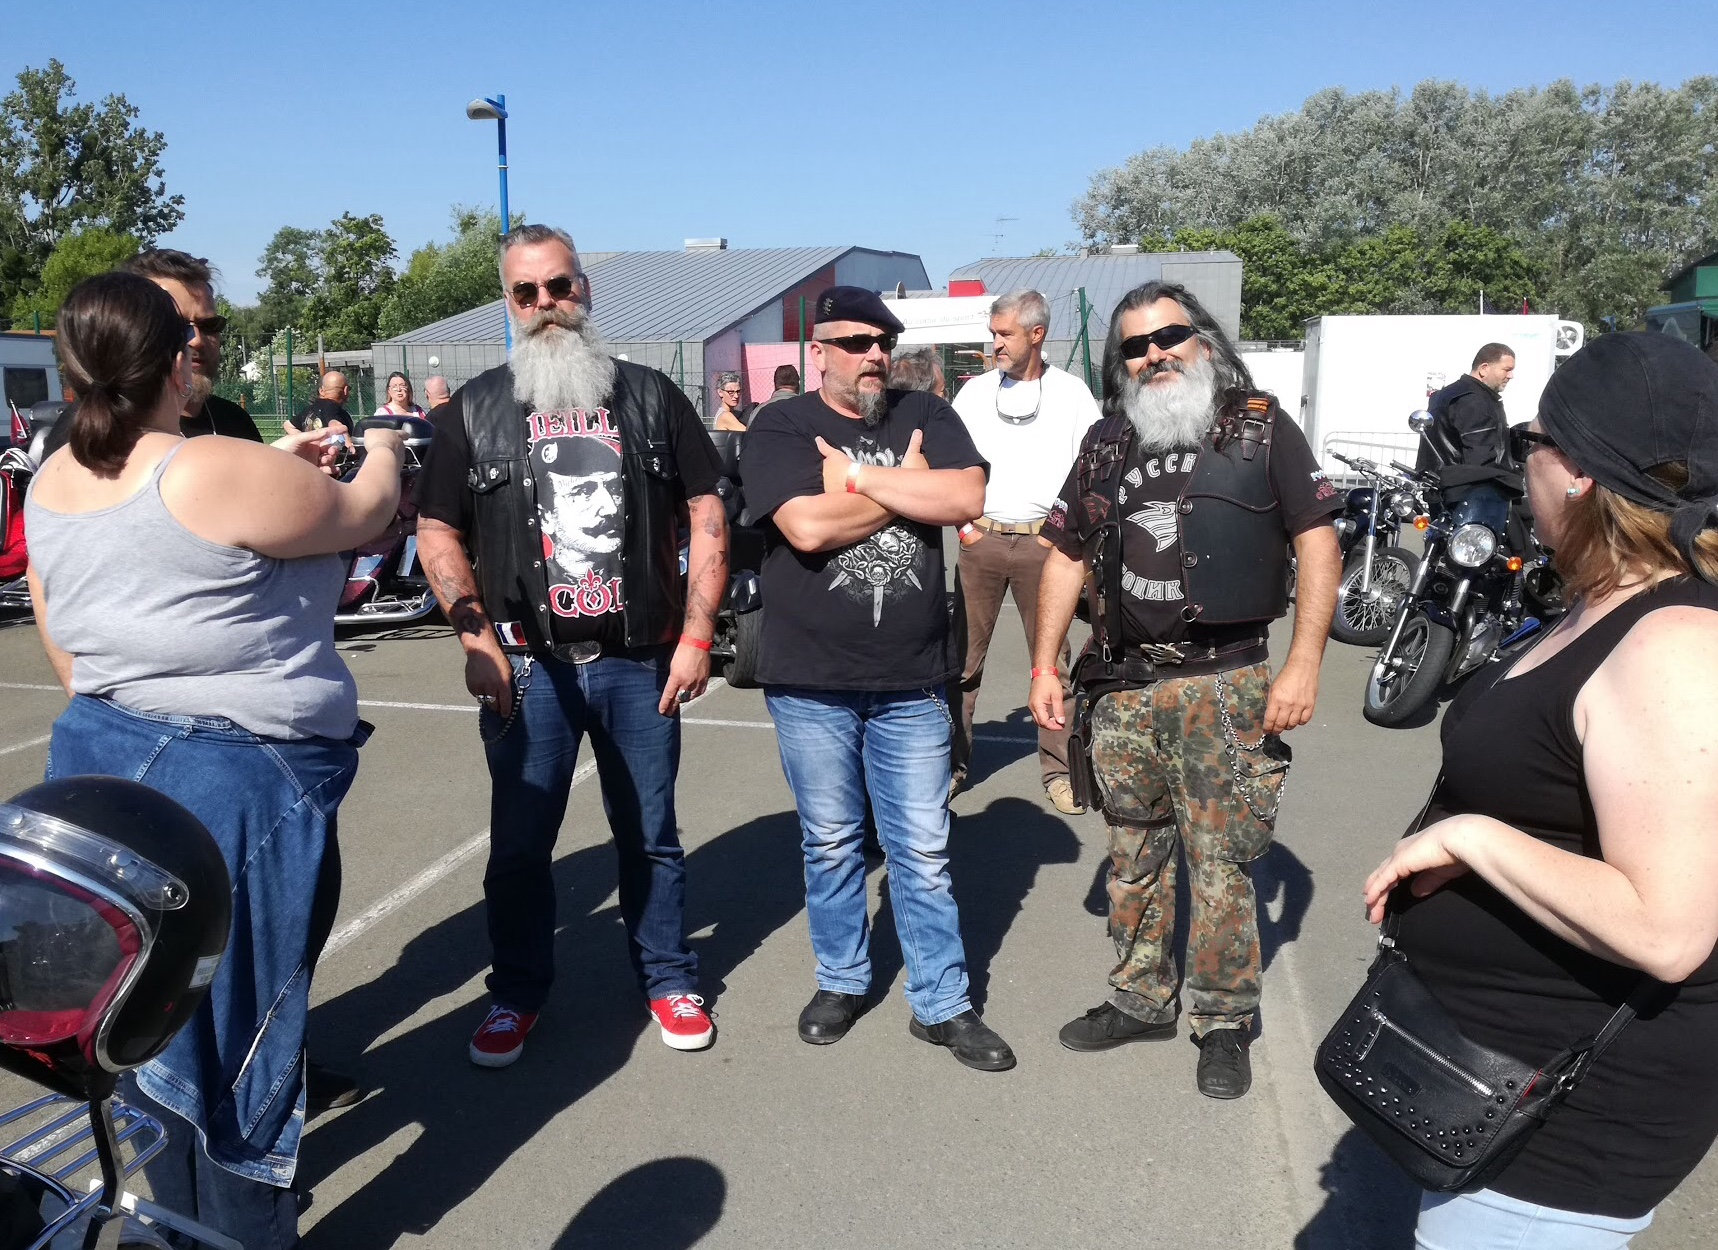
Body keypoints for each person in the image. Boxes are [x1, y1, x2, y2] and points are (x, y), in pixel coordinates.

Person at [24, 271, 403, 1248]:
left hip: (101, 765)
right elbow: (365, 510)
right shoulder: (204, 465)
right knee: (237, 1050)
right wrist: (388, 443)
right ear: (169, 360)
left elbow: (63, 632)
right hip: (228, 788)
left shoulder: (52, 472)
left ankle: (170, 1228)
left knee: (143, 1031)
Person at [1361, 333, 1718, 1248]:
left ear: (1584, 471)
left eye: (1535, 441)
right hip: (1490, 1075)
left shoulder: (1672, 647)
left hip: (1563, 1123)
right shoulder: (1604, 602)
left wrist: (1473, 839)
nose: (1524, 464)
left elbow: (1668, 930)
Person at [414, 223, 728, 1067]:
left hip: (639, 661)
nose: (546, 304)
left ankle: (668, 978)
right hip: (526, 667)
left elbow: (706, 510)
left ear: (584, 289)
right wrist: (475, 640)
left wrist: (699, 635)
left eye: (559, 286)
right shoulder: (473, 409)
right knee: (520, 847)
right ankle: (516, 992)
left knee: (650, 834)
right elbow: (437, 527)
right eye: (527, 292)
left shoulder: (651, 396)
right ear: (509, 303)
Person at [1030, 280, 1341, 1099]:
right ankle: (1140, 999)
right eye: (1134, 346)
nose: (1154, 355)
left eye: (1168, 336)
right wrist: (1043, 665)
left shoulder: (1260, 426)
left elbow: (1316, 540)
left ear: (1202, 339)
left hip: (1223, 685)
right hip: (1123, 688)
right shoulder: (1105, 442)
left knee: (1222, 863)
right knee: (1133, 854)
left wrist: (1304, 662)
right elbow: (1064, 553)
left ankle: (1223, 1022)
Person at [740, 285, 1015, 1072]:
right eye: (856, 342)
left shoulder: (923, 412)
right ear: (818, 351)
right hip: (811, 680)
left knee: (922, 850)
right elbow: (804, 527)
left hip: (912, 679)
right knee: (831, 843)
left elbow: (966, 495)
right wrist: (907, 490)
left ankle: (942, 1003)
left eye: (883, 342)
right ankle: (842, 980)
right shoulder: (782, 425)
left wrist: (856, 482)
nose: (874, 355)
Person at [951, 289, 1101, 814]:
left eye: (1005, 334)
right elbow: (947, 465)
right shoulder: (974, 394)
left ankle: (1059, 772)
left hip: (1047, 547)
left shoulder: (1072, 394)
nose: (995, 344)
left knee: (1051, 665)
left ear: (1037, 334)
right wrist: (965, 528)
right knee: (961, 664)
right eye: (992, 334)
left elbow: (1091, 472)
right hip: (981, 541)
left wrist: (1063, 537)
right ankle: (951, 766)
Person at [1418, 342, 1516, 469]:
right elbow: (1481, 462)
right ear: (1484, 369)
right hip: (1460, 480)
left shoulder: (1445, 394)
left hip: (1435, 477)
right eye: (1507, 370)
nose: (1511, 376)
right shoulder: (1475, 401)